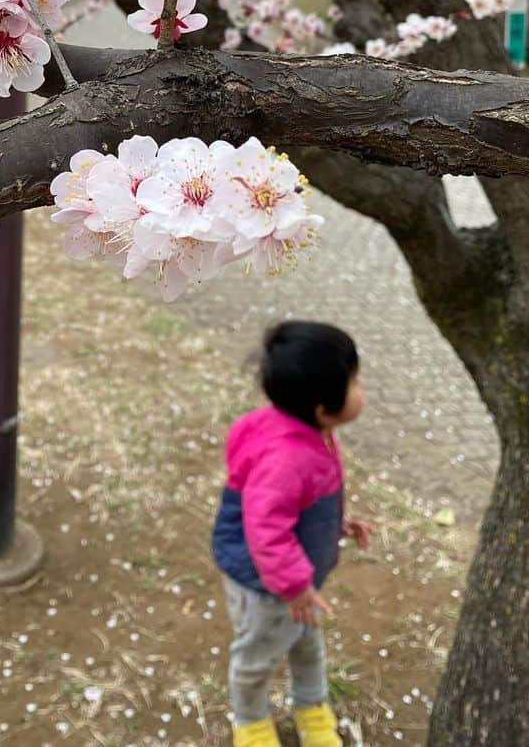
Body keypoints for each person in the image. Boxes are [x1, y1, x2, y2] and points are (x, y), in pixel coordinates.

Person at [211, 320, 373, 747]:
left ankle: (311, 704)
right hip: (266, 583)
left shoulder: (313, 433)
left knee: (306, 643)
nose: (363, 387)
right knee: (256, 656)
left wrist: (338, 522)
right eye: (354, 381)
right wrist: (293, 586)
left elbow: (300, 504)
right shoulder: (286, 460)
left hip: (295, 583)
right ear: (322, 408)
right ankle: (250, 720)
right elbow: (266, 529)